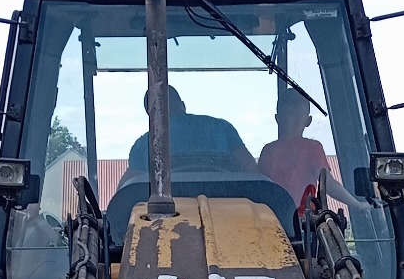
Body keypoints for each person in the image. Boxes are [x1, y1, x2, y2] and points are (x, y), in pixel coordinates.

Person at [126, 85, 258, 181]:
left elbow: (127, 190)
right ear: (183, 105)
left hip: (169, 214)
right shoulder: (223, 128)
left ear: (151, 116)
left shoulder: (144, 144)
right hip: (228, 210)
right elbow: (253, 171)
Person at [258, 84, 331, 203]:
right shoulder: (313, 148)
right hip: (305, 220)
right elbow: (327, 183)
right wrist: (357, 203)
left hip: (272, 217)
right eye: (288, 117)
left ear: (277, 118)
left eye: (295, 118)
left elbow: (257, 186)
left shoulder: (268, 150)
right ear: (308, 121)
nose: (290, 122)